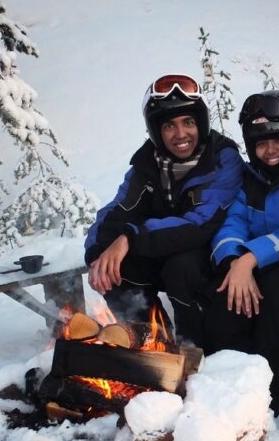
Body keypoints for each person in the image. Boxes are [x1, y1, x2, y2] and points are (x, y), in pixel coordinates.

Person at [84, 73, 245, 347]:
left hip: (216, 255)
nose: (181, 134)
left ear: (201, 123)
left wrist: (131, 238)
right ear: (157, 131)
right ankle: (152, 345)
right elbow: (119, 209)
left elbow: (200, 224)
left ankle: (198, 350)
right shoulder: (148, 164)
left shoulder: (222, 159)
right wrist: (100, 253)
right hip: (163, 245)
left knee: (180, 267)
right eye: (169, 125)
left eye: (189, 122)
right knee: (116, 267)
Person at [205, 90, 279, 414]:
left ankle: (274, 385)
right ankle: (228, 378)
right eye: (260, 143)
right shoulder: (249, 179)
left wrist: (250, 258)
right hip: (248, 261)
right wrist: (232, 261)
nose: (269, 151)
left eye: (278, 141)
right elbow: (232, 223)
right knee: (225, 289)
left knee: (273, 290)